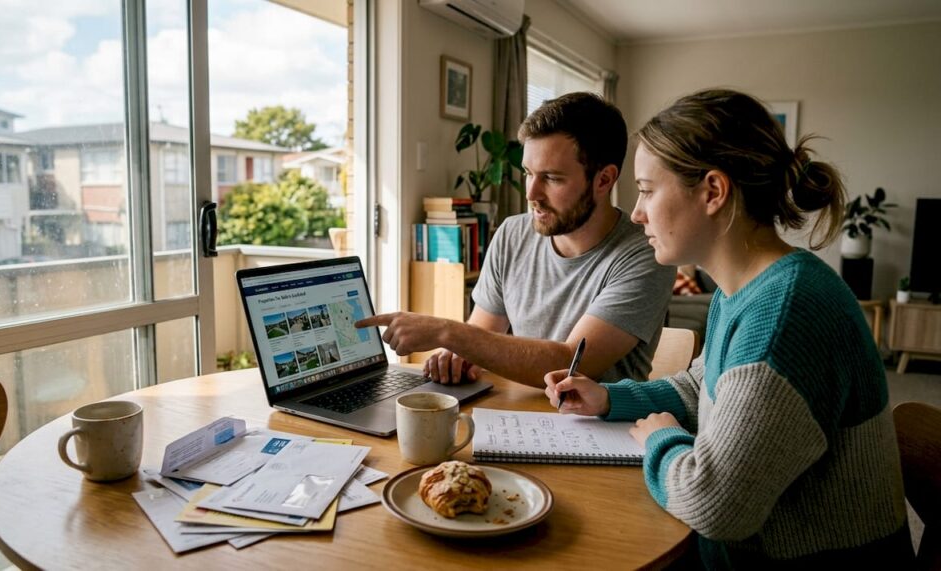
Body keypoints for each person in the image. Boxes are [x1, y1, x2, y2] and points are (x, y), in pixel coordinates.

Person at [544, 88, 913, 567]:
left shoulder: (788, 312)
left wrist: (661, 438)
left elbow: (715, 504)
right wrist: (609, 399)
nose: (636, 212)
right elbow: (702, 388)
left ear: (713, 192)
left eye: (648, 190)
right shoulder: (742, 289)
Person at [356, 92, 674, 387]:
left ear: (603, 180)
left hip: (600, 425)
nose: (531, 194)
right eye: (528, 173)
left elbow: (572, 365)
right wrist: (458, 357)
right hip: (514, 413)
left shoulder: (646, 252)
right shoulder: (512, 234)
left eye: (552, 178)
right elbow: (481, 337)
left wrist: (446, 332)